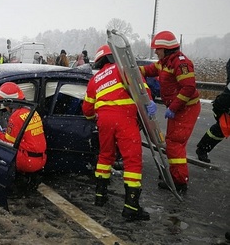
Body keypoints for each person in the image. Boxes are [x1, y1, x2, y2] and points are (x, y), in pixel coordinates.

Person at [82, 44, 156, 221]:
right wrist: (149, 103)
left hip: (104, 121)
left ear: (99, 61)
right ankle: (131, 206)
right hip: (124, 117)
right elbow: (141, 89)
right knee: (132, 160)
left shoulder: (95, 79)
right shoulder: (123, 69)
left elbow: (87, 109)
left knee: (105, 155)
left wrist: (95, 117)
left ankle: (100, 196)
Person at [139, 31, 201, 193]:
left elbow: (188, 87)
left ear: (166, 49)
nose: (156, 52)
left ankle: (179, 182)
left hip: (186, 108)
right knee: (174, 142)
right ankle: (175, 174)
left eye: (158, 49)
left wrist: (173, 107)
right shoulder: (164, 63)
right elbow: (148, 70)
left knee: (175, 143)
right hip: (178, 108)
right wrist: (129, 69)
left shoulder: (180, 64)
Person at [0, 82, 47, 174]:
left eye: (5, 105)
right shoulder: (32, 111)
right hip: (41, 159)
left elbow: (7, 142)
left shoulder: (16, 117)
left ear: (9, 103)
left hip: (26, 162)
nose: (5, 108)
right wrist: (6, 131)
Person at [195, 58, 230, 163]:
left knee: (222, 128)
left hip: (225, 101)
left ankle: (203, 149)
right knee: (222, 128)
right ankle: (202, 149)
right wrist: (220, 105)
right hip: (225, 102)